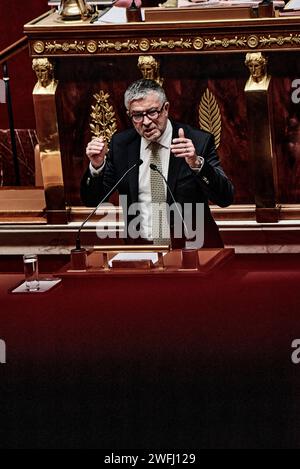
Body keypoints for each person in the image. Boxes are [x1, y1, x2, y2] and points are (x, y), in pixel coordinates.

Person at [81, 79, 234, 248]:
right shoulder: (121, 145)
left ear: (166, 109)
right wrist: (96, 167)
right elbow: (92, 200)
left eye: (153, 112)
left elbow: (225, 197)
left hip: (193, 249)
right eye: (138, 115)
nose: (146, 122)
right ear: (129, 115)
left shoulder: (197, 141)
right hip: (142, 252)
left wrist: (197, 164)